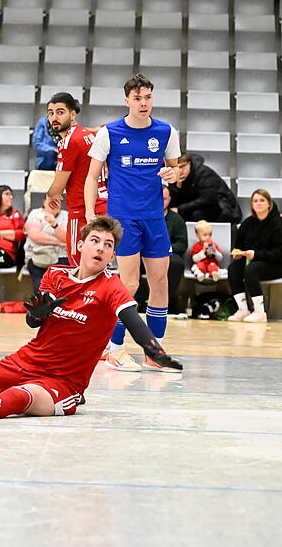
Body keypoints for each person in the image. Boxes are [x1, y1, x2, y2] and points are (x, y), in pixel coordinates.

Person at [0, 216, 183, 423]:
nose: (101, 248)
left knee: (21, 398)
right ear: (81, 246)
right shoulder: (57, 274)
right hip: (27, 360)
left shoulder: (111, 286)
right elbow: (33, 322)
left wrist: (154, 351)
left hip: (63, 379)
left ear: (112, 255)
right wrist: (36, 315)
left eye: (108, 245)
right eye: (95, 240)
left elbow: (133, 321)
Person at [84, 73, 181, 372]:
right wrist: (91, 214)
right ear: (126, 100)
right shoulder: (109, 133)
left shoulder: (166, 132)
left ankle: (154, 352)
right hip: (122, 218)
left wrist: (172, 175)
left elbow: (176, 171)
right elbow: (91, 177)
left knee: (160, 282)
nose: (143, 103)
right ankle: (115, 349)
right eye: (137, 98)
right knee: (128, 283)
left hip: (154, 217)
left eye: (148, 97)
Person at [45, 92, 108, 266]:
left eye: (60, 112)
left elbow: (58, 187)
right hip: (101, 207)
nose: (54, 117)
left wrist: (51, 195)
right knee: (97, 267)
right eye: (51, 113)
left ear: (73, 114)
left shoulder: (69, 141)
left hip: (82, 211)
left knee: (79, 265)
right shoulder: (87, 135)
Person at [228, 189, 282, 323]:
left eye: (262, 200)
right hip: (253, 260)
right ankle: (243, 309)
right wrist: (238, 253)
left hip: (277, 264)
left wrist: (256, 254)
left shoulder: (279, 224)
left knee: (252, 269)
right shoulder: (247, 223)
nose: (258, 204)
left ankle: (259, 312)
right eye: (255, 201)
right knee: (234, 269)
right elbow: (239, 245)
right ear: (251, 205)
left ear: (269, 203)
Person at [134, 187, 189, 316]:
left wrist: (164, 248)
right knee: (132, 261)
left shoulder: (177, 220)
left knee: (176, 263)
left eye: (164, 199)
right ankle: (141, 301)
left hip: (168, 254)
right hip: (144, 253)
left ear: (169, 200)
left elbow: (182, 244)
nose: (161, 202)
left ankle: (166, 302)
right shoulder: (142, 217)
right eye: (158, 199)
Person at [169, 153, 242, 223]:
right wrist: (178, 186)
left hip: (223, 209)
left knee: (196, 214)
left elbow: (207, 199)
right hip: (199, 208)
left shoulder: (205, 174)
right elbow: (173, 202)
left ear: (189, 163)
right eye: (177, 168)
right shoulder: (176, 177)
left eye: (183, 166)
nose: (180, 171)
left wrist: (180, 209)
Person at [24, 196, 68, 293]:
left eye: (57, 202)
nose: (54, 204)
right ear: (44, 202)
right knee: (40, 281)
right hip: (37, 255)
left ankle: (57, 307)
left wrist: (54, 224)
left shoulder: (66, 216)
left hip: (61, 256)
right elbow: (36, 236)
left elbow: (66, 238)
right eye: (51, 201)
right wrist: (58, 242)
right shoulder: (35, 214)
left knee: (59, 280)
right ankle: (42, 306)